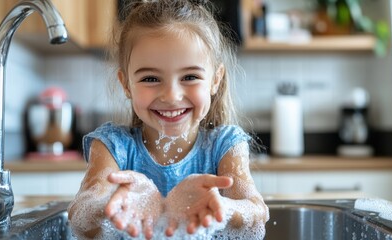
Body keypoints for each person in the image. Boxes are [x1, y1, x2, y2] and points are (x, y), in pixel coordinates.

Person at [67, 0, 269, 239]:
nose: (172, 96)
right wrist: (109, 205)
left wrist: (223, 208)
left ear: (215, 80)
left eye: (190, 76)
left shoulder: (226, 145)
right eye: (151, 79)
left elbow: (256, 210)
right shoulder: (112, 145)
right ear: (126, 84)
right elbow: (82, 210)